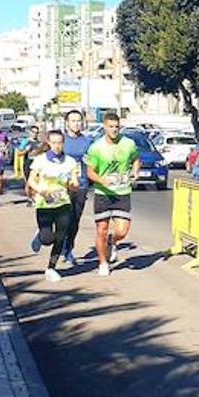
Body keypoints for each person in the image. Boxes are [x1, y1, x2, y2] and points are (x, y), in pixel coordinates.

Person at [84, 112, 139, 277]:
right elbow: (90, 172)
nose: (114, 130)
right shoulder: (96, 147)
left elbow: (136, 159)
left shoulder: (129, 143)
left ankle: (112, 241)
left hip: (122, 193)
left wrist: (135, 171)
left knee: (122, 231)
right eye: (111, 127)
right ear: (105, 127)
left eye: (117, 127)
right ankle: (103, 263)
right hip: (103, 194)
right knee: (101, 229)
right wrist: (102, 180)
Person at [25, 129, 81, 282]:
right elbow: (31, 181)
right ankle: (40, 235)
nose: (57, 146)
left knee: (61, 236)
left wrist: (74, 185)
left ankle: (51, 268)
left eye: (60, 143)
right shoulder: (40, 160)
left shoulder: (70, 161)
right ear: (49, 143)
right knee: (47, 238)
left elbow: (74, 183)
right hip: (44, 204)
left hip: (63, 203)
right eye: (54, 143)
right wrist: (40, 191)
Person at [59, 110, 94, 265]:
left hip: (81, 184)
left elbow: (95, 161)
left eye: (79, 121)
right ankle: (52, 238)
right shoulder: (60, 140)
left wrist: (90, 161)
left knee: (74, 219)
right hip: (61, 184)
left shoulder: (87, 141)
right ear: (67, 123)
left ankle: (68, 250)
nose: (76, 123)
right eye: (73, 121)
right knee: (62, 218)